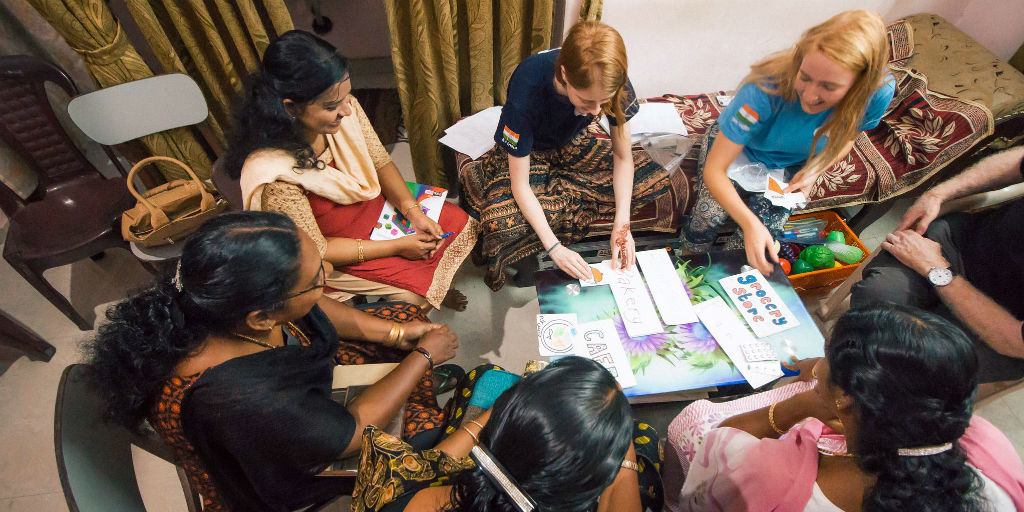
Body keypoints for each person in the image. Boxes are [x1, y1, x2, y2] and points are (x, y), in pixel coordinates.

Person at [85, 212, 460, 512]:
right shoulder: (240, 397)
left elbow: (316, 308)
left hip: (287, 407)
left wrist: (390, 334)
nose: (328, 276)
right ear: (261, 318)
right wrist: (423, 356)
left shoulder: (219, 302)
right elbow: (353, 432)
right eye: (316, 279)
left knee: (400, 318)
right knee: (428, 444)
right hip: (268, 470)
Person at [663, 305, 1024, 512]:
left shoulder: (775, 477)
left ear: (845, 403)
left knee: (691, 420)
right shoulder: (987, 442)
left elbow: (721, 443)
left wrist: (798, 406)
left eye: (827, 362)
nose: (817, 368)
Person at [225, 30, 478, 312]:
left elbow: (381, 162)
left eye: (347, 97)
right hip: (337, 248)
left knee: (456, 222)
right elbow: (317, 250)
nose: (347, 110)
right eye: (332, 106)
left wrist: (413, 212)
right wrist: (397, 247)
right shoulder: (275, 177)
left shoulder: (346, 110)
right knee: (414, 298)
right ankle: (427, 295)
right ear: (291, 108)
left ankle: (438, 288)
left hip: (373, 210)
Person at [459, 21, 671, 289]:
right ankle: (561, 199)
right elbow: (520, 185)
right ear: (564, 76)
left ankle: (558, 196)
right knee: (501, 223)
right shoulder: (527, 91)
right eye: (587, 101)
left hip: (572, 142)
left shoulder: (611, 77)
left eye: (602, 102)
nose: (596, 112)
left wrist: (622, 224)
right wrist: (555, 247)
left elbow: (623, 157)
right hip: (531, 151)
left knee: (655, 176)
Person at [682, 10, 895, 275]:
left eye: (829, 87)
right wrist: (749, 224)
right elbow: (714, 171)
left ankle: (723, 279)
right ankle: (687, 265)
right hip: (741, 150)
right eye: (804, 77)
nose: (810, 96)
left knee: (759, 241)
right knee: (707, 217)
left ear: (860, 86)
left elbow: (850, 136)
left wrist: (816, 170)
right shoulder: (762, 89)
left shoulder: (878, 92)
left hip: (793, 162)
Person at [349, 356, 663, 512]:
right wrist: (622, 455)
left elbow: (435, 463)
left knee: (484, 375)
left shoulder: (414, 495)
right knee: (645, 439)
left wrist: (511, 401)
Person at [851, 145, 1024, 393]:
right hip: (961, 244)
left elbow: (1014, 342)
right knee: (876, 295)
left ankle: (863, 399)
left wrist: (936, 270)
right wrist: (939, 193)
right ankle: (845, 377)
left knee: (911, 360)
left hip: (997, 331)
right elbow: (1018, 160)